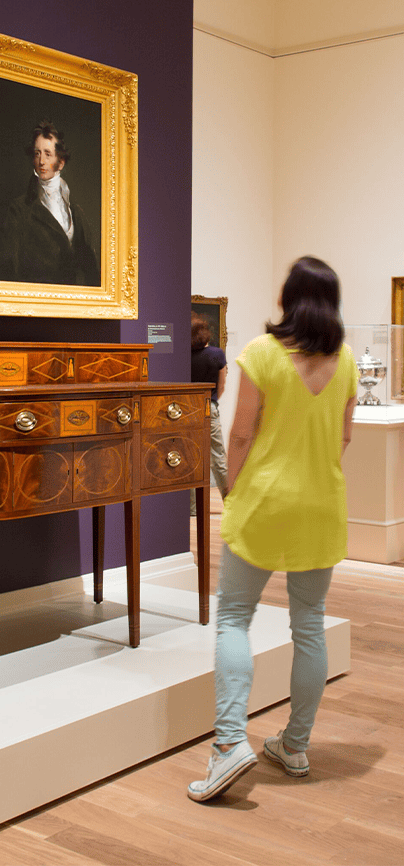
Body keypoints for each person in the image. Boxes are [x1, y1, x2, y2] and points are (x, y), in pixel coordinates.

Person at [188, 256, 358, 802]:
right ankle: (295, 745)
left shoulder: (262, 353)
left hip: (264, 500)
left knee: (234, 619)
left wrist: (234, 491)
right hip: (322, 505)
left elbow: (240, 436)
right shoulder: (346, 361)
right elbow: (344, 438)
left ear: (288, 297)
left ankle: (228, 744)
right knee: (309, 625)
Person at [0, 121, 100, 286]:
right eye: (37, 153)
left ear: (60, 162)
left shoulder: (74, 211)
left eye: (48, 154)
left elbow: (91, 269)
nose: (41, 161)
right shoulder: (19, 209)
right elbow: (6, 269)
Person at [190, 313, 228, 516]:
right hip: (208, 406)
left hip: (186, 408)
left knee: (190, 456)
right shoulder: (217, 354)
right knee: (218, 456)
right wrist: (213, 401)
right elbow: (221, 386)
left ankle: (192, 508)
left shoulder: (184, 356)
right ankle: (231, 503)